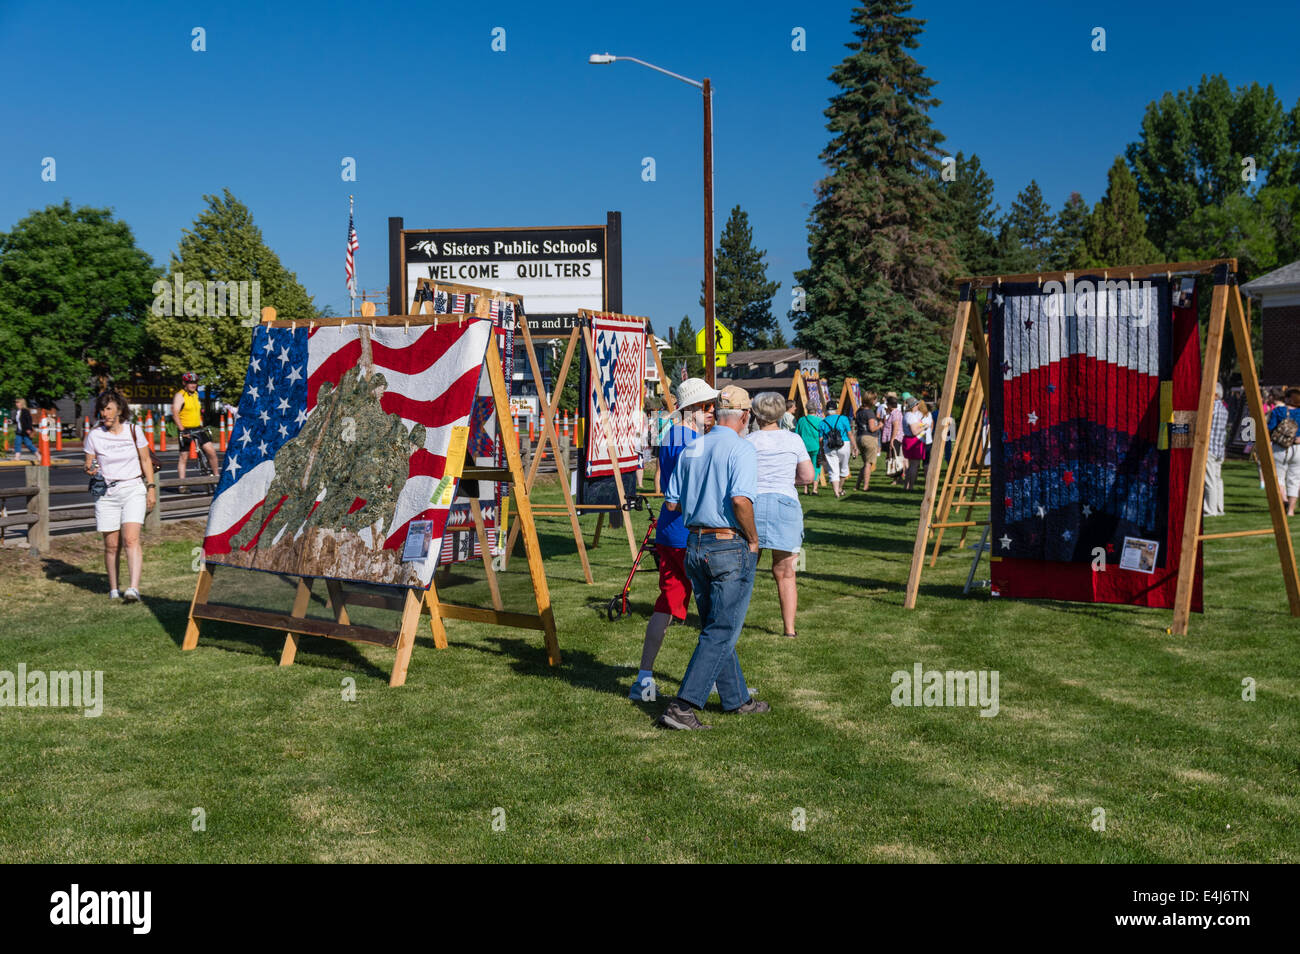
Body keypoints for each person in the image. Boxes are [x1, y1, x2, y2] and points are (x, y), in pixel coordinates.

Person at [657, 385, 769, 730]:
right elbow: (740, 500)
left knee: (715, 626)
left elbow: (671, 503)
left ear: (717, 413)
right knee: (722, 628)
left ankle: (737, 699)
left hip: (695, 543)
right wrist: (754, 539)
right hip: (727, 543)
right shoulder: (742, 448)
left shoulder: (692, 446)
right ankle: (684, 704)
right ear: (745, 416)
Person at [630, 378, 717, 700]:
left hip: (670, 531)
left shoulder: (672, 435)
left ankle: (644, 678)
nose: (712, 411)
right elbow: (697, 489)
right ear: (692, 409)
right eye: (707, 406)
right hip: (691, 531)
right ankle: (721, 684)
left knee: (666, 604)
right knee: (714, 612)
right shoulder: (692, 441)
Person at [747, 392, 814, 639]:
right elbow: (808, 476)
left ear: (755, 414)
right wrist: (787, 479)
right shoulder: (793, 440)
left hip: (752, 503)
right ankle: (789, 629)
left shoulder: (748, 441)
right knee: (786, 572)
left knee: (745, 569)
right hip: (785, 503)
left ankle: (730, 623)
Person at [83, 389, 156, 601]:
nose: (104, 413)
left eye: (109, 409)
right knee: (111, 545)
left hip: (133, 488)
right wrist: (90, 469)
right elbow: (88, 463)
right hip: (106, 493)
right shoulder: (94, 435)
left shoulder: (134, 431)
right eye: (102, 409)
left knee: (131, 539)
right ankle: (114, 589)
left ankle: (133, 588)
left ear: (119, 410)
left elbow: (146, 460)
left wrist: (151, 488)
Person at [172, 372, 219, 489]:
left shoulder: (196, 394)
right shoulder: (180, 396)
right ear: (184, 383)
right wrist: (182, 430)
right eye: (190, 383)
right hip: (185, 429)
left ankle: (216, 477)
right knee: (184, 457)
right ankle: (182, 485)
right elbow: (175, 414)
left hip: (198, 428)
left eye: (195, 383)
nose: (193, 385)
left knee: (211, 451)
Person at [1268, 386, 1300, 517]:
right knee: (1295, 480)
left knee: (1278, 478)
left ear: (1288, 398)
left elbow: (1270, 428)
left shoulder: (1278, 411)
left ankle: (1284, 500)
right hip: (1298, 449)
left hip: (1280, 448)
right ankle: (1291, 510)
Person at [820, 406, 855, 497]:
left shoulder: (822, 422)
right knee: (844, 468)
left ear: (826, 410)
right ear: (836, 409)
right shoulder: (843, 418)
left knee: (833, 470)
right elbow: (849, 433)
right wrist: (855, 446)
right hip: (844, 444)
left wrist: (822, 452)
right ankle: (839, 488)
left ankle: (836, 492)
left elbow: (820, 439)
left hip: (829, 445)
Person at [1204, 382, 1228, 517]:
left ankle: (1210, 509)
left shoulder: (1211, 407)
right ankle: (1219, 508)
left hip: (1210, 447)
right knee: (1218, 479)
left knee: (1210, 480)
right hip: (1219, 449)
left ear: (1215, 394)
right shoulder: (1224, 409)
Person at [901, 396, 928, 491]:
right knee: (914, 465)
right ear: (913, 406)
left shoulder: (907, 414)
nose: (918, 406)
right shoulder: (911, 416)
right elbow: (914, 432)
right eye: (916, 404)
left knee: (911, 465)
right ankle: (911, 487)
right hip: (913, 441)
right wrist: (924, 427)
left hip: (909, 440)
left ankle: (906, 486)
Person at [795, 408, 823, 495]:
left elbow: (797, 433)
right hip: (816, 446)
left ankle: (805, 489)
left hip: (804, 447)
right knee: (816, 467)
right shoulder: (820, 420)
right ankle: (815, 489)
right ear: (816, 410)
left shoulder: (801, 420)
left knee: (805, 468)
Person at [884, 393, 904, 485]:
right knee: (895, 457)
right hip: (896, 438)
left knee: (895, 458)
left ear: (889, 405)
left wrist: (892, 440)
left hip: (895, 438)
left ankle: (896, 478)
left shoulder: (895, 414)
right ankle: (898, 478)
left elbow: (896, 427)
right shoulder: (895, 413)